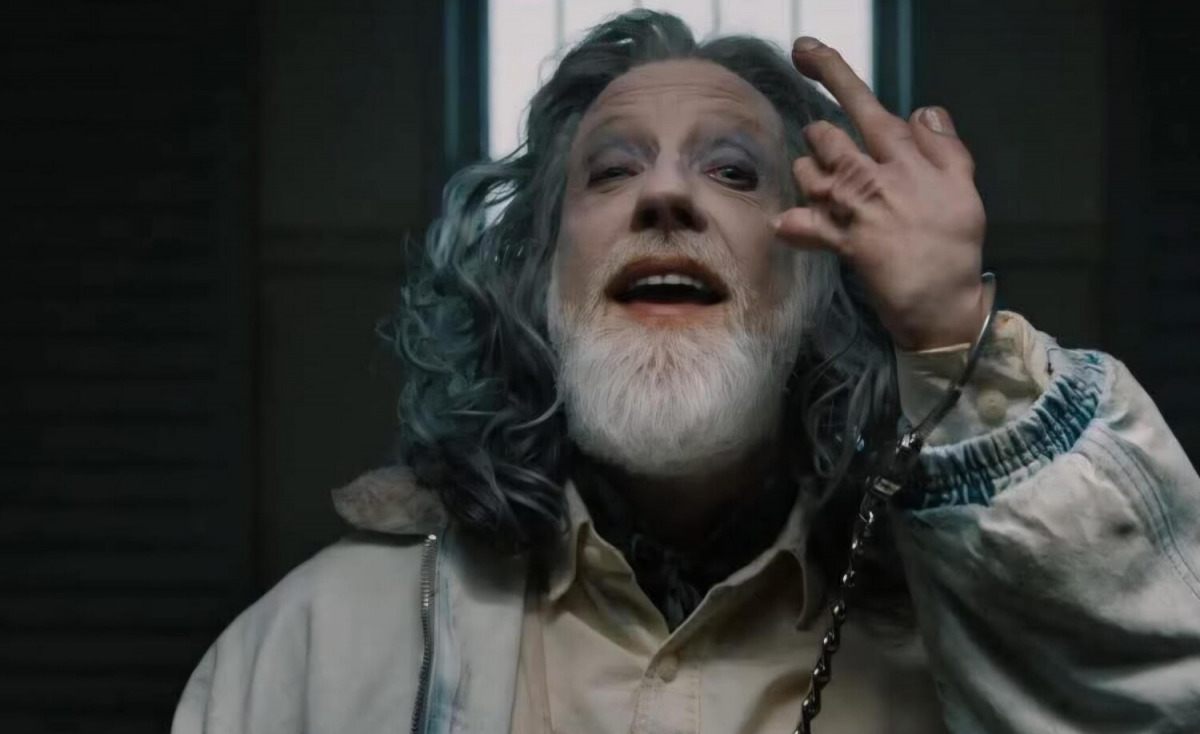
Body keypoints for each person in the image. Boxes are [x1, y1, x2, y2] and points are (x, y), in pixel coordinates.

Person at [172, 11, 1200, 734]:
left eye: (734, 172)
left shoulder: (970, 635)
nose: (665, 195)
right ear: (538, 283)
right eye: (613, 169)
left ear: (818, 285)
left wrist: (947, 326)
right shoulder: (315, 648)